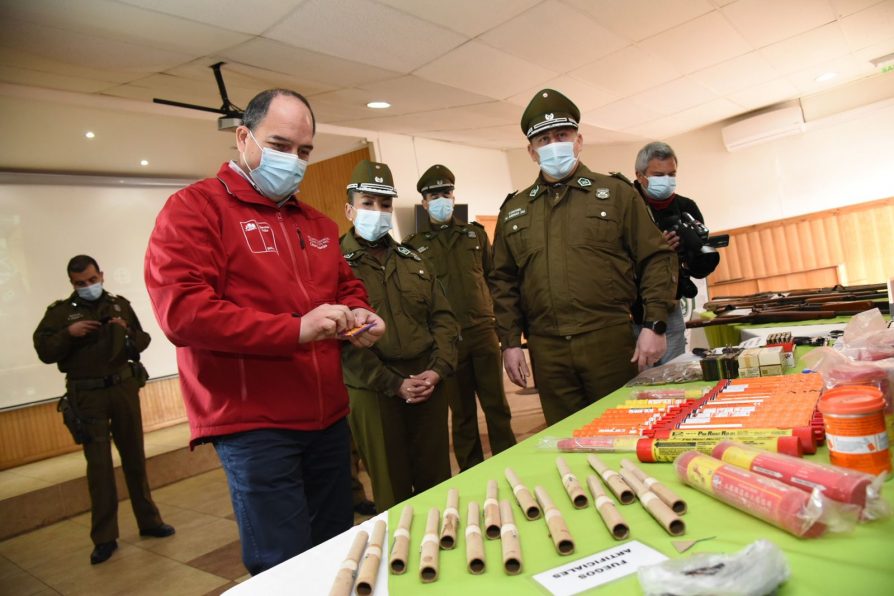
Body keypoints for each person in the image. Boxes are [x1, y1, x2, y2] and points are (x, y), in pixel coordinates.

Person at [144, 89, 385, 575]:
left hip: (328, 417)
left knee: (340, 553)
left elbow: (346, 285)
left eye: (303, 151)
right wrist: (295, 331)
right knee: (285, 566)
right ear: (243, 138)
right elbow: (183, 312)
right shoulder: (195, 209)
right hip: (255, 424)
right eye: (279, 145)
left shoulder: (314, 222)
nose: (293, 161)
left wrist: (361, 314)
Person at [490, 89, 678, 426]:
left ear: (579, 140)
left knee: (624, 432)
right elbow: (503, 282)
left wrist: (654, 324)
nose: (554, 145)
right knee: (568, 440)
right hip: (547, 350)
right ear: (531, 152)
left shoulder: (617, 194)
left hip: (607, 339)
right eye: (544, 139)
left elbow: (657, 258)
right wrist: (509, 342)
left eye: (562, 135)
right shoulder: (514, 211)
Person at [33, 255, 174, 565]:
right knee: (99, 468)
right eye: (80, 283)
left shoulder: (119, 305)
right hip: (87, 395)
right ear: (72, 283)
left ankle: (149, 521)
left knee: (134, 457)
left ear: (101, 275)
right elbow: (44, 351)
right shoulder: (60, 314)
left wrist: (125, 331)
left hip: (122, 388)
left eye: (92, 280)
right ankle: (105, 538)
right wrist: (68, 335)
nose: (88, 287)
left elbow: (142, 341)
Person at [340, 159, 458, 511]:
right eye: (368, 203)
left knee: (436, 481)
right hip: (374, 390)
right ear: (350, 209)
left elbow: (444, 319)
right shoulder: (333, 263)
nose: (378, 211)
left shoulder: (414, 258)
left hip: (427, 382)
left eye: (385, 204)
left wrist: (437, 370)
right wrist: (394, 384)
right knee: (392, 489)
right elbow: (342, 343)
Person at [403, 164, 516, 470]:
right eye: (434, 194)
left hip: (483, 333)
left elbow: (495, 280)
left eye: (446, 192)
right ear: (424, 202)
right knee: (462, 414)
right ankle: (472, 471)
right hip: (447, 343)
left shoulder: (474, 235)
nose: (441, 198)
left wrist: (505, 332)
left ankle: (510, 464)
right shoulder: (413, 247)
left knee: (497, 406)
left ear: (453, 196)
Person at [632, 141, 720, 364]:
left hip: (670, 304)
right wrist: (655, 249)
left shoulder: (686, 207)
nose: (666, 180)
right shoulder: (627, 206)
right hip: (632, 309)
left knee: (674, 373)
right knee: (640, 383)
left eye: (671, 174)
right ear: (640, 175)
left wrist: (690, 252)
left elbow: (702, 265)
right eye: (658, 174)